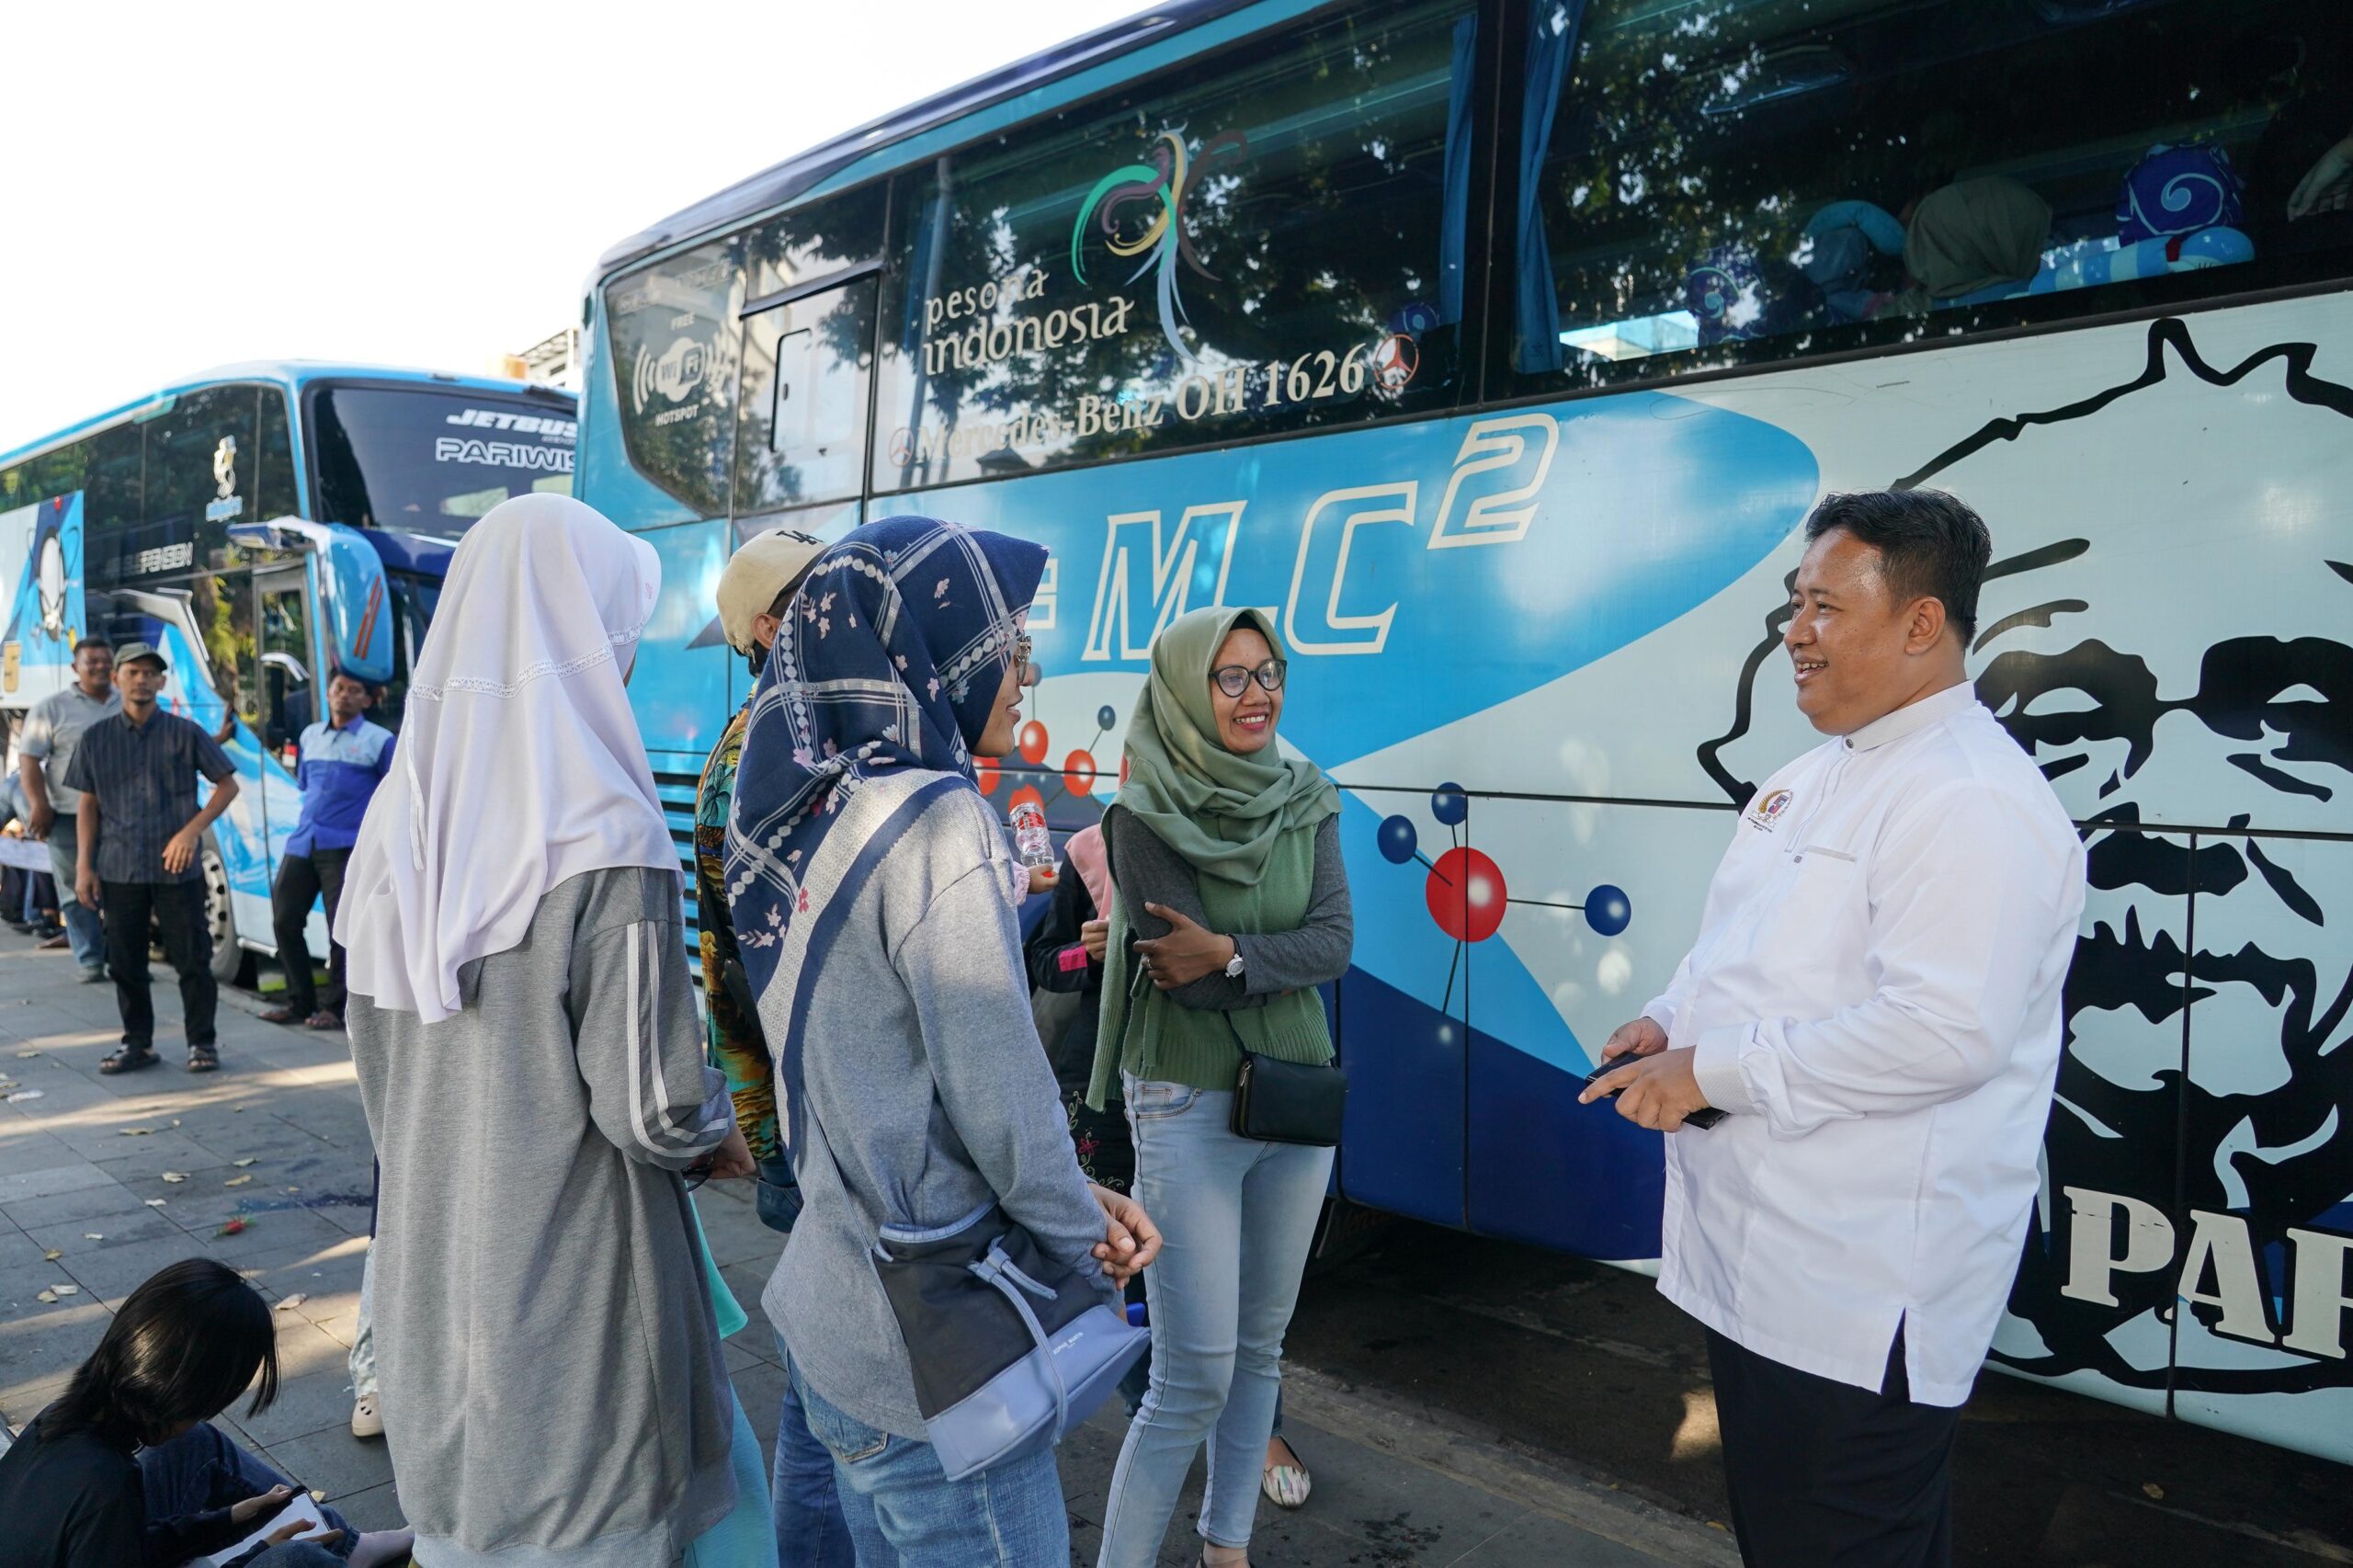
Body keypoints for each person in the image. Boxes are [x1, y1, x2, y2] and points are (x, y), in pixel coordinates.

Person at [1582, 490, 2086, 1567]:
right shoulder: (1809, 775)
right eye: (1793, 603)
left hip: (1857, 1291)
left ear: (1920, 622)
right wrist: (1666, 1019)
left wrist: (1710, 1070)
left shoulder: (1970, 797)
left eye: (1823, 605)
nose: (1793, 632)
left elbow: (1943, 1032)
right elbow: (1741, 948)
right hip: (1767, 1268)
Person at [335, 493, 770, 1567]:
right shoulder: (603, 829)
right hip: (577, 1294)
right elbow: (651, 1105)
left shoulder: (399, 827)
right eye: (617, 625)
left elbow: (378, 1068)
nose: (627, 653)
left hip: (432, 1282)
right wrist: (720, 1126)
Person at [727, 516, 1161, 1566]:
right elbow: (999, 1094)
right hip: (932, 1354)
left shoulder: (799, 807)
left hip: (833, 1312)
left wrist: (1065, 1189)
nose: (1026, 674)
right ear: (938, 646)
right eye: (1007, 646)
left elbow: (887, 1074)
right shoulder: (935, 819)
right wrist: (1084, 1232)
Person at [1088, 606, 1355, 1568]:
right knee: (1191, 1374)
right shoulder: (1142, 812)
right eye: (1230, 676)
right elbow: (1183, 981)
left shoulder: (1308, 796)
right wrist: (1258, 961)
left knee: (1260, 1352)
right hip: (1185, 1102)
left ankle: (1226, 1549)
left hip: (1296, 1097)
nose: (1256, 694)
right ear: (1184, 689)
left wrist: (1234, 950)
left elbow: (1335, 941)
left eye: (1268, 671)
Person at [695, 524, 853, 1567]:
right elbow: (759, 971)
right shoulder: (768, 754)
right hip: (813, 1117)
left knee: (827, 1391)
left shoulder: (800, 735)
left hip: (818, 1113)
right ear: (764, 626)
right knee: (827, 1397)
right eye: (815, 594)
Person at [0, 1257, 414, 1568]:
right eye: (204, 1408)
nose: (198, 1421)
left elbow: (127, 1544)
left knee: (195, 1447)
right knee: (294, 1561)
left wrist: (228, 1518)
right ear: (181, 1394)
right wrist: (258, 1553)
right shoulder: (105, 1486)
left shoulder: (59, 1423)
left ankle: (348, 1548)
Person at [62, 641, 239, 1074]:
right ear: (117, 679)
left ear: (161, 682)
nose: (141, 680)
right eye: (132, 673)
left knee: (193, 960)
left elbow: (227, 785)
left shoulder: (185, 732)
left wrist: (191, 832)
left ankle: (202, 1043)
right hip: (119, 866)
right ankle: (137, 1043)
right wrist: (84, 866)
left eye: (149, 673)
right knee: (125, 963)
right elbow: (88, 804)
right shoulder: (96, 738)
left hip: (178, 870)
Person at [261, 668, 393, 1030]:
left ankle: (336, 1008)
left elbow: (391, 794)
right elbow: (307, 784)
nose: (344, 695)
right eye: (339, 688)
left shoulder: (379, 741)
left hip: (346, 847)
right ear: (328, 692)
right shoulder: (310, 736)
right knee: (285, 919)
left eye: (354, 690)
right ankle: (299, 1001)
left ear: (367, 700)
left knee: (342, 927)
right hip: (305, 840)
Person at [17, 637, 120, 982]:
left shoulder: (127, 702)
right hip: (66, 815)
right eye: (92, 661)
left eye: (106, 660)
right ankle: (90, 959)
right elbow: (30, 760)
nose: (100, 667)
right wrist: (39, 804)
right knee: (75, 887)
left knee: (123, 889)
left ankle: (124, 958)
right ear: (76, 667)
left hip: (121, 815)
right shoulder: (51, 708)